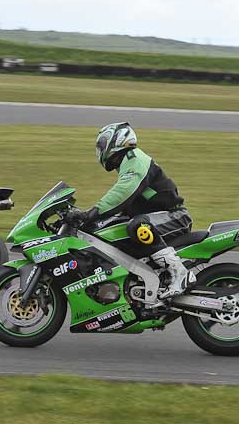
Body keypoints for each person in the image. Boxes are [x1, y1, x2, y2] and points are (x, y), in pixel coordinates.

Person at [70, 122, 194, 299]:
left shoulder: (135, 159)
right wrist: (88, 219)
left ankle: (180, 273)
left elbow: (122, 193)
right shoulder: (128, 163)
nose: (101, 149)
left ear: (118, 140)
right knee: (105, 229)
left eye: (103, 143)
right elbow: (125, 201)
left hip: (175, 217)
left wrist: (91, 213)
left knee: (137, 226)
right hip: (156, 217)